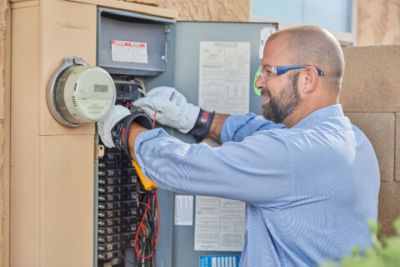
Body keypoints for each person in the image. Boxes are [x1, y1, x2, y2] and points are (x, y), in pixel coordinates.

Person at [97, 25, 380, 266]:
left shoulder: (291, 155)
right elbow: (261, 130)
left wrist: (125, 127)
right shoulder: (352, 140)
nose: (259, 82)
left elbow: (183, 166)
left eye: (269, 71)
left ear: (307, 78)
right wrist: (196, 119)